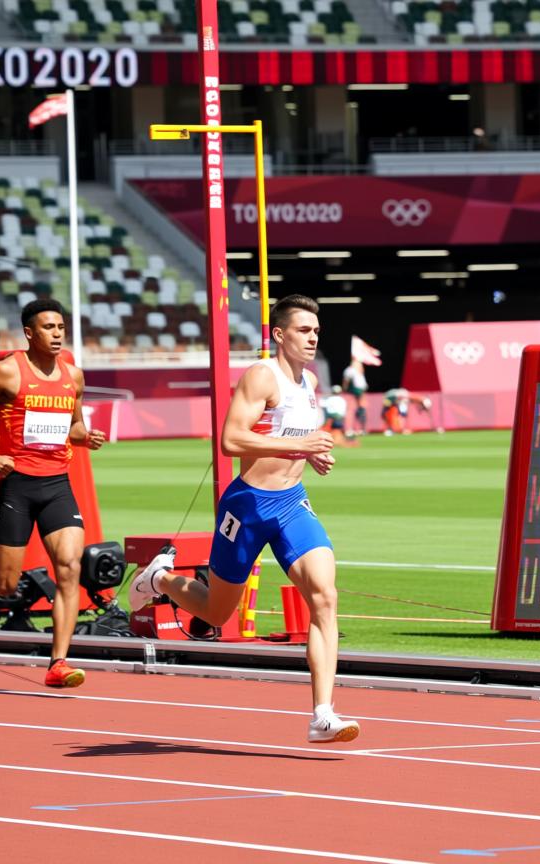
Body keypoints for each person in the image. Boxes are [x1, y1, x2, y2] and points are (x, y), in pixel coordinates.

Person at [130, 294, 359, 743]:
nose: (313, 337)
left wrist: (310, 455)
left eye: (316, 331)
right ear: (279, 334)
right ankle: (160, 579)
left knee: (325, 596)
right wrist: (298, 446)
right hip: (248, 506)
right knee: (218, 611)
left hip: (291, 503)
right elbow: (231, 440)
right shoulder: (261, 376)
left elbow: (289, 436)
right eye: (303, 330)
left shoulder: (309, 381)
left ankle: (322, 715)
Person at [0, 298, 106, 688]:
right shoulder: (6, 372)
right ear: (29, 332)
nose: (57, 334)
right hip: (17, 486)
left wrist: (85, 437)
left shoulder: (73, 376)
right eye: (48, 328)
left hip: (57, 484)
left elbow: (72, 427)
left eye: (61, 327)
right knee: (4, 587)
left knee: (69, 567)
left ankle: (59, 663)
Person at [341, 357, 368, 437]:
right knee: (351, 410)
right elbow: (346, 381)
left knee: (361, 410)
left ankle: (361, 429)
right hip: (353, 391)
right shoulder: (350, 370)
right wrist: (345, 389)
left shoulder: (359, 371)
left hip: (359, 391)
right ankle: (349, 429)